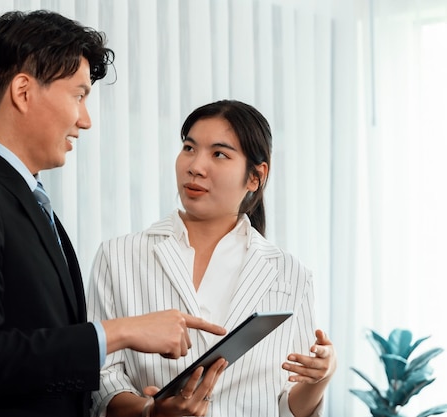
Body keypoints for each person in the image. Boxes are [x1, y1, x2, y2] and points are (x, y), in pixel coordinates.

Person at [0, 10, 226, 417]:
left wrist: (146, 410)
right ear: (23, 91)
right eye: (79, 95)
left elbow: (42, 364)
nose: (85, 120)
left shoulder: (25, 198)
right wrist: (120, 332)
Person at [87, 100, 337, 417]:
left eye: (218, 154)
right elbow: (101, 380)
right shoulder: (118, 256)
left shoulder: (292, 274)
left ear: (255, 177)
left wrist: (321, 378)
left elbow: (287, 405)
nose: (195, 166)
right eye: (189, 148)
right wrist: (150, 411)